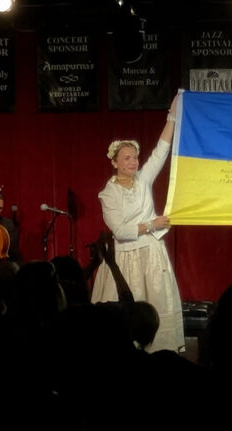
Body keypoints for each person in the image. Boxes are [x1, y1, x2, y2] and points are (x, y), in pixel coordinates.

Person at [90, 94, 185, 353]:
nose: (133, 162)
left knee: (153, 302)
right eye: (127, 158)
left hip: (150, 254)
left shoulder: (142, 180)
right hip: (124, 260)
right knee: (125, 313)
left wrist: (172, 115)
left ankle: (157, 354)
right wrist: (153, 224)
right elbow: (120, 231)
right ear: (115, 163)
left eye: (134, 157)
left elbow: (161, 151)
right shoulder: (108, 194)